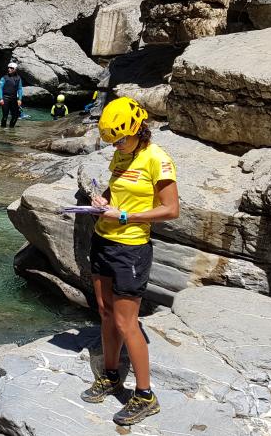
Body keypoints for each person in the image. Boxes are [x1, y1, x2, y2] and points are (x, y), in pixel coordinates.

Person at [81, 97, 179, 426]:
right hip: (103, 241)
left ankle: (145, 395)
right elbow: (114, 189)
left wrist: (124, 215)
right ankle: (111, 375)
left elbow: (170, 209)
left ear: (137, 129)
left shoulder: (157, 159)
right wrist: (103, 200)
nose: (116, 146)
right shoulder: (122, 154)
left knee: (127, 323)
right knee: (105, 312)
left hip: (131, 249)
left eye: (120, 140)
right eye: (112, 141)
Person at [0, 62, 24, 128]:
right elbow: (0, 88)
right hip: (5, 98)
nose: (9, 69)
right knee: (5, 116)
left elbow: (20, 89)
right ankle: (2, 130)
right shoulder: (4, 78)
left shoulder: (18, 78)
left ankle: (11, 129)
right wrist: (1, 98)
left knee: (15, 116)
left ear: (15, 69)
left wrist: (20, 99)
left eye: (11, 68)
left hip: (14, 99)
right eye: (8, 68)